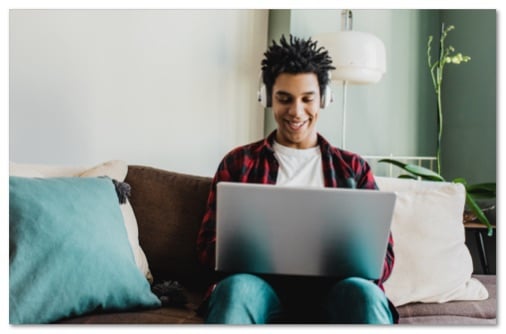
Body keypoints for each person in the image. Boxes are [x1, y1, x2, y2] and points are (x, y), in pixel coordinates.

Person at [196, 34, 398, 324]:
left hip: (337, 293)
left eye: (307, 99)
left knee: (365, 294)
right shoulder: (239, 164)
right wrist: (240, 249)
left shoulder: (353, 169)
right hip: (259, 290)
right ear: (266, 97)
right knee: (236, 289)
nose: (296, 111)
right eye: (284, 99)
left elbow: (385, 261)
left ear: (324, 98)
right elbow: (205, 251)